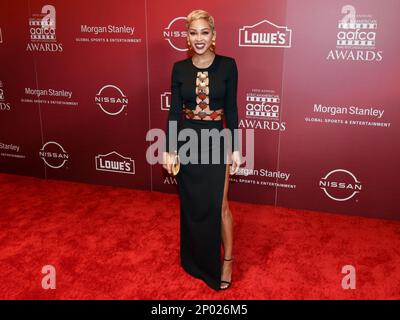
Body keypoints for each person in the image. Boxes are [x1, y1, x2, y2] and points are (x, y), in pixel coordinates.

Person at [162, 9, 241, 291]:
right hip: (188, 141)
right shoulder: (179, 69)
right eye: (193, 33)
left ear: (214, 36)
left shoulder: (228, 66)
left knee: (220, 206)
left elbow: (231, 111)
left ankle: (227, 260)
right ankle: (195, 260)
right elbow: (174, 113)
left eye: (204, 32)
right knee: (193, 205)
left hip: (216, 142)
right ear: (186, 37)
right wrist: (171, 148)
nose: (199, 38)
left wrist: (236, 148)